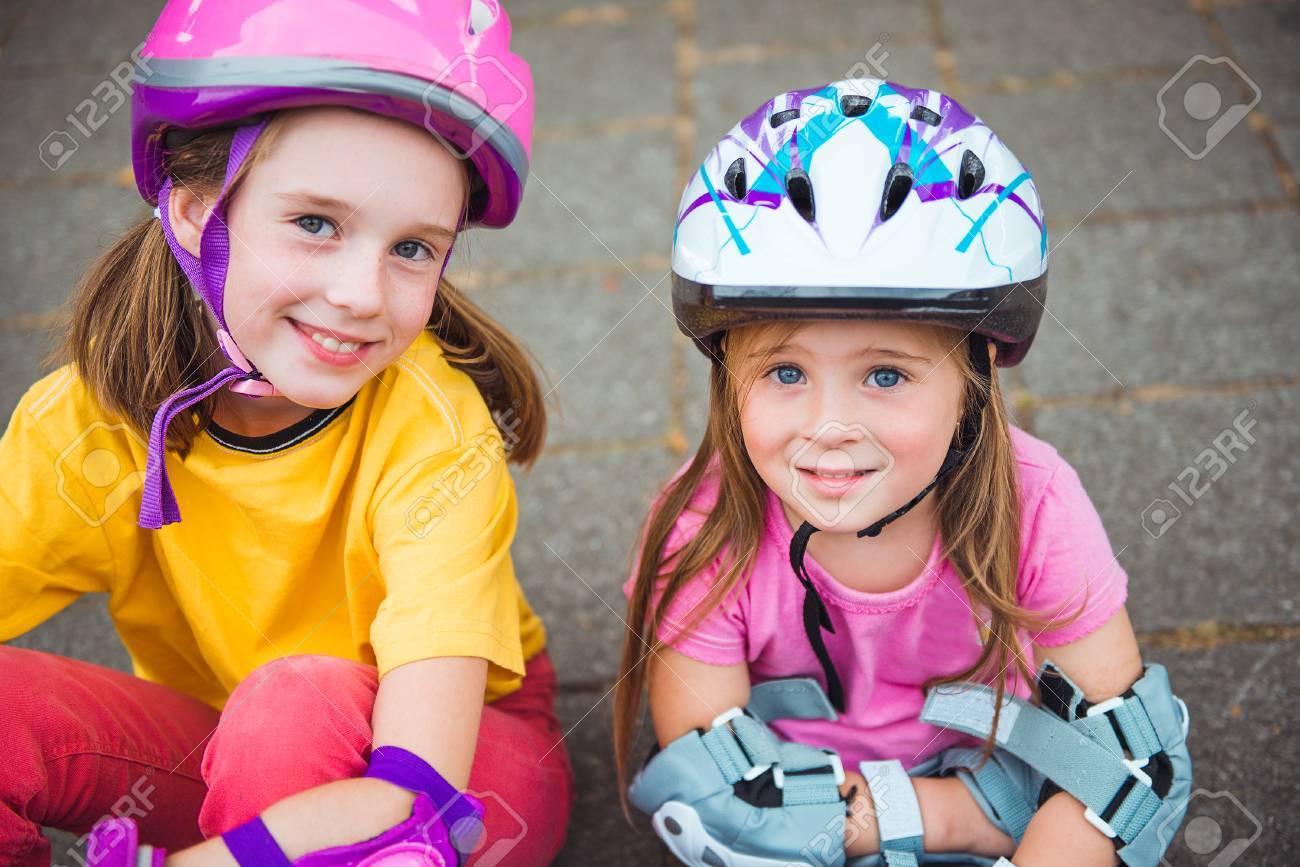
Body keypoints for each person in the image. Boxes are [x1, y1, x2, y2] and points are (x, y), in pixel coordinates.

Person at [0, 1, 573, 864]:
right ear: (195, 211)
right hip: (230, 754)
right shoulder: (79, 424)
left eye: (413, 248)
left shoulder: (436, 431)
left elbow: (412, 796)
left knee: (291, 705)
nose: (361, 295)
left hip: (452, 769)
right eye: (316, 224)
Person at [616, 78, 1191, 867]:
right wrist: (908, 818)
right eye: (784, 373)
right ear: (726, 373)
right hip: (805, 806)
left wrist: (965, 814)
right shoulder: (703, 517)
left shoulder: (1038, 502)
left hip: (994, 772)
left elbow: (1134, 772)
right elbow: (713, 786)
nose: (829, 427)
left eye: (885, 375)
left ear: (977, 375)